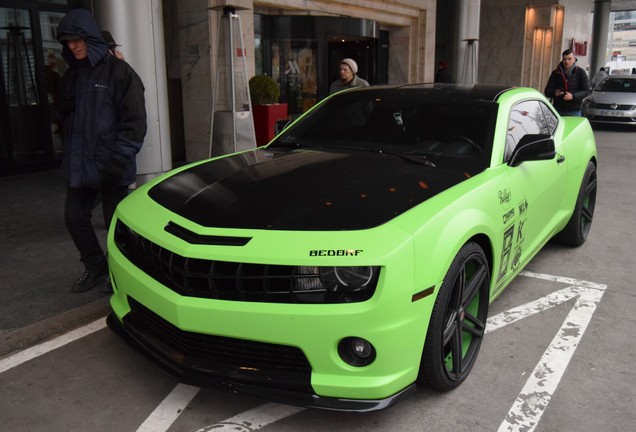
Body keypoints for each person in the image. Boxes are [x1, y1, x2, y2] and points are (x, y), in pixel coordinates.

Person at [54, 9, 146, 293]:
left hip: (112, 164)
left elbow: (134, 123)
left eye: (77, 40)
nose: (73, 46)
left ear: (91, 38)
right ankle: (95, 266)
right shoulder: (72, 75)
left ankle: (117, 273)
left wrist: (120, 159)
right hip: (82, 163)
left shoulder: (121, 73)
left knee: (114, 225)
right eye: (68, 42)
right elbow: (67, 114)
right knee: (73, 216)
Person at [544, 49, 590, 116]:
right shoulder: (555, 73)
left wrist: (573, 96)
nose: (567, 61)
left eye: (569, 59)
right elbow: (547, 92)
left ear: (574, 60)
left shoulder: (580, 72)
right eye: (564, 59)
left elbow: (586, 91)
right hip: (557, 110)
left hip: (574, 110)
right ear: (562, 60)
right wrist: (555, 93)